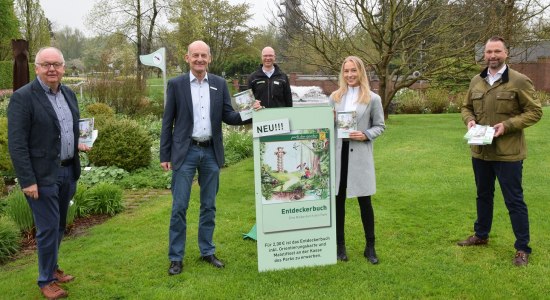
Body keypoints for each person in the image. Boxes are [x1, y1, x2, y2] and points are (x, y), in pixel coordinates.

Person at [160, 40, 260, 275]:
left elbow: (228, 115)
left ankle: (207, 251)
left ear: (210, 58)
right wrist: (165, 154)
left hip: (211, 152)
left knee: (209, 206)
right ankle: (176, 257)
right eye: (195, 55)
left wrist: (249, 113)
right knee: (179, 207)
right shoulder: (176, 84)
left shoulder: (218, 84)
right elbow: (168, 122)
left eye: (203, 55)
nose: (199, 60)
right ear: (187, 58)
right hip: (185, 152)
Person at [8, 47, 90, 299]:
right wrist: (27, 180)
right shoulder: (24, 97)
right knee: (47, 228)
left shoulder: (67, 93)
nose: (52, 69)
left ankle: (53, 269)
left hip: (67, 170)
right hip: (41, 177)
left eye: (56, 64)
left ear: (64, 67)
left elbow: (64, 129)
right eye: (46, 64)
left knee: (59, 226)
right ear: (37, 68)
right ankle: (45, 280)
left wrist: (77, 143)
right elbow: (17, 143)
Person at [458, 36, 543, 267]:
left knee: (514, 200)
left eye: (497, 51)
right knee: (483, 195)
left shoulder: (519, 81)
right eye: (488, 52)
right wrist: (469, 120)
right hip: (481, 151)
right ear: (484, 55)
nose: (492, 56)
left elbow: (535, 112)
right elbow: (466, 107)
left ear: (506, 53)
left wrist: (507, 126)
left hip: (508, 154)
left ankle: (522, 248)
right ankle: (481, 235)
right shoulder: (476, 80)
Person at [329, 56, 385, 264]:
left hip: (359, 155)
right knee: (338, 201)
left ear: (361, 72)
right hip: (339, 154)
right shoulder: (334, 97)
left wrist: (366, 134)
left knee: (365, 202)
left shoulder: (373, 98)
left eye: (354, 71)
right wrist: (331, 119)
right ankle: (339, 247)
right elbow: (327, 126)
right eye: (346, 71)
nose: (350, 75)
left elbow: (380, 126)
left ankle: (370, 247)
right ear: (342, 74)